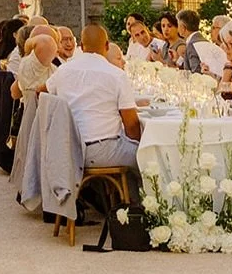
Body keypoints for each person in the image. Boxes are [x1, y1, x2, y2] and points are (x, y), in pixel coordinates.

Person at [45, 24, 142, 172]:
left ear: (82, 46)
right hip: (105, 150)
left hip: (68, 150)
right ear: (107, 46)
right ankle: (132, 194)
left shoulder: (62, 71)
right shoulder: (116, 75)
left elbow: (42, 93)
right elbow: (132, 125)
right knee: (149, 155)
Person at [15, 30, 58, 96]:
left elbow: (14, 92)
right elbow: (45, 42)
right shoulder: (33, 64)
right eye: (55, 41)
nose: (57, 46)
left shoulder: (47, 64)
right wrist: (27, 45)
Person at [177, 9, 207, 73]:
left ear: (183, 28)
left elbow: (195, 71)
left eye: (178, 25)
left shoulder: (192, 44)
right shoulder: (204, 40)